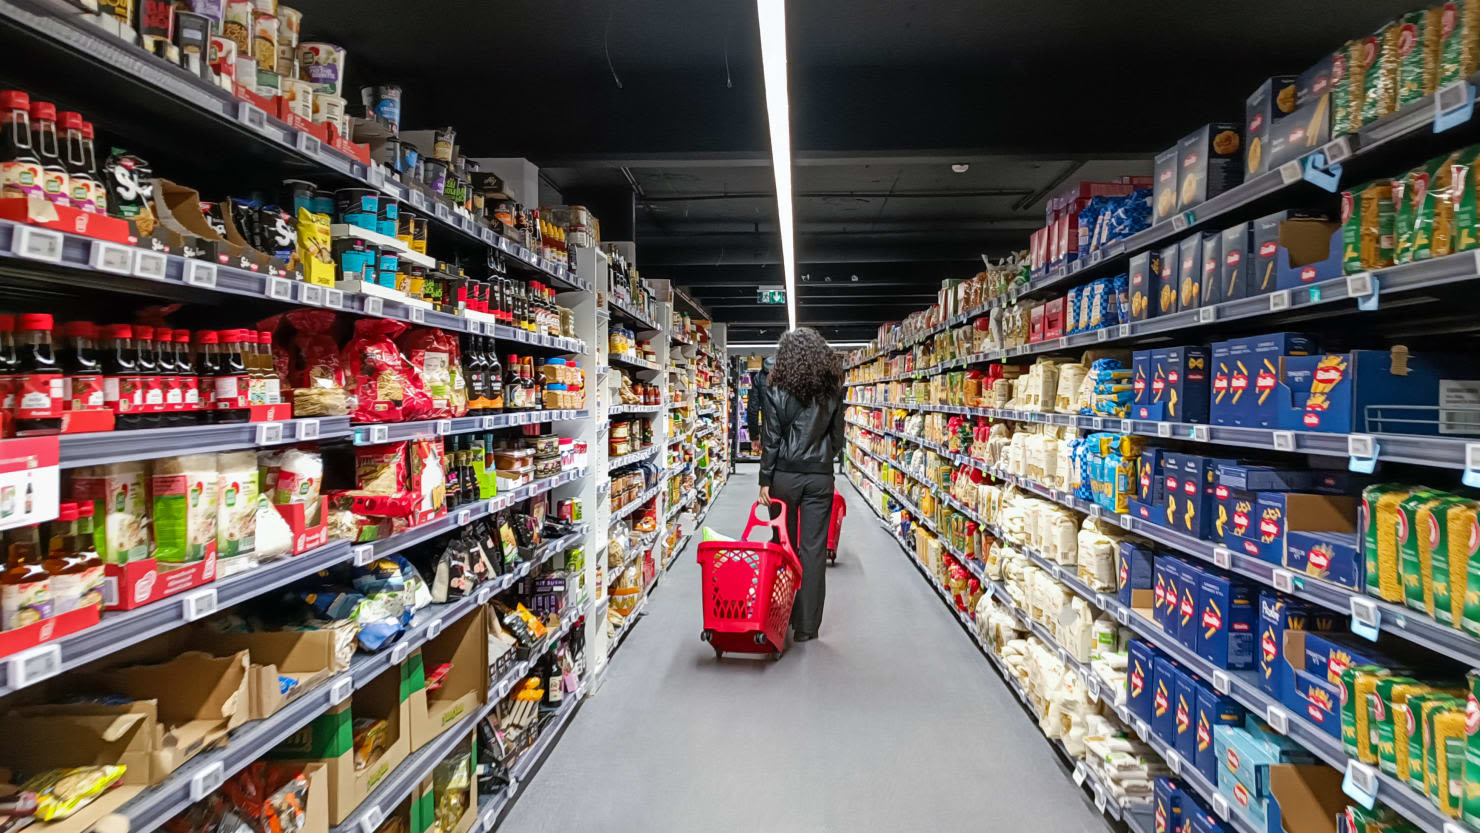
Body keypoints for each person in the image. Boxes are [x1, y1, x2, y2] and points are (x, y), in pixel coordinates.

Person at [757, 327, 845, 642]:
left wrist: (766, 477)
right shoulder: (832, 385)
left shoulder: (775, 384)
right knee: (813, 550)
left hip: (785, 476)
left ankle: (784, 614)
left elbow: (772, 435)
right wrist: (822, 460)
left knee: (784, 546)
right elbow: (837, 437)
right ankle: (807, 627)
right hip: (820, 477)